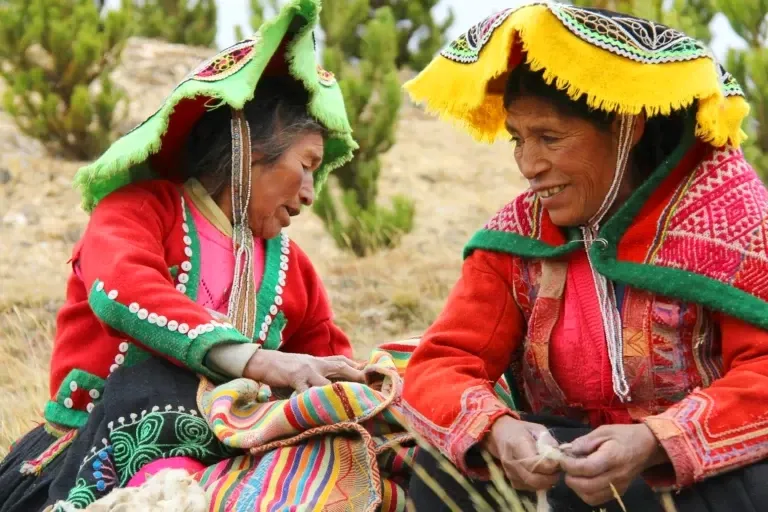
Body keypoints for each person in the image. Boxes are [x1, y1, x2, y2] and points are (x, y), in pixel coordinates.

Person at [401, 3, 768, 511]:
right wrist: (498, 430)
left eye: (549, 137)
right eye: (518, 139)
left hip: (684, 481)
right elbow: (442, 364)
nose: (528, 165)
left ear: (625, 126)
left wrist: (656, 441)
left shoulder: (733, 220)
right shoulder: (517, 239)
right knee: (443, 468)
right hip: (566, 475)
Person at [0, 1, 365, 510]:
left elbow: (324, 361)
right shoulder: (139, 210)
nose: (310, 192)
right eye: (306, 165)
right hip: (93, 453)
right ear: (247, 149)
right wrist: (258, 362)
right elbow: (122, 291)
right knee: (158, 379)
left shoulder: (292, 268)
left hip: (231, 457)